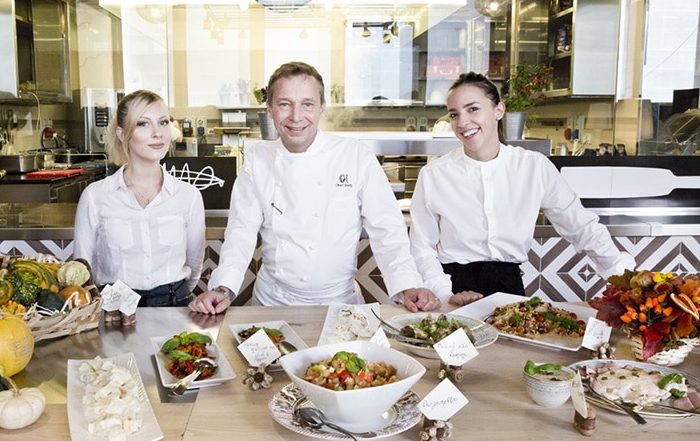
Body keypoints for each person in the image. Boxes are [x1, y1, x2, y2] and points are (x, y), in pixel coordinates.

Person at [189, 61, 438, 315]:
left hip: (340, 303)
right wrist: (223, 288)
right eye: (285, 104)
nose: (296, 117)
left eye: (307, 104)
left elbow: (387, 230)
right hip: (273, 303)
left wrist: (408, 286)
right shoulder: (258, 160)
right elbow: (241, 231)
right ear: (270, 110)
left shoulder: (355, 155)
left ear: (321, 108)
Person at [409, 72, 635, 306]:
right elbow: (420, 247)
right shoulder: (434, 175)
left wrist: (625, 279)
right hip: (454, 289)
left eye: (473, 109)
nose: (462, 122)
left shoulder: (534, 167)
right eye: (454, 114)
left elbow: (580, 225)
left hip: (510, 291)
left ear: (499, 110)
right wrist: (445, 294)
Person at [74, 89, 205, 308]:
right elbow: (85, 267)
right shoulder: (95, 197)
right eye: (143, 124)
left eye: (163, 123)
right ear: (122, 134)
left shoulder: (188, 196)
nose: (158, 133)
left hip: (175, 303)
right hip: (114, 307)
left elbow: (194, 266)